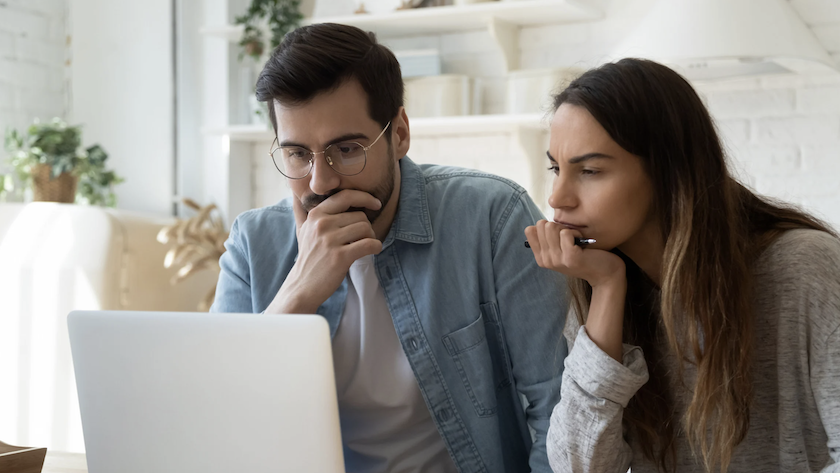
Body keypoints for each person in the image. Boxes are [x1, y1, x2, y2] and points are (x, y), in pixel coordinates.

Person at [210, 23, 569, 473]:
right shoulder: (252, 244)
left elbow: (558, 410)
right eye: (298, 154)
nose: (321, 182)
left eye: (346, 148)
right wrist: (297, 292)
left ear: (399, 133)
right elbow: (220, 425)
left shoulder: (492, 216)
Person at [523, 58, 840, 473]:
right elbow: (582, 467)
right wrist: (606, 289)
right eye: (555, 168)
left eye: (590, 170)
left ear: (668, 172)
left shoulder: (804, 269)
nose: (558, 197)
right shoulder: (598, 283)